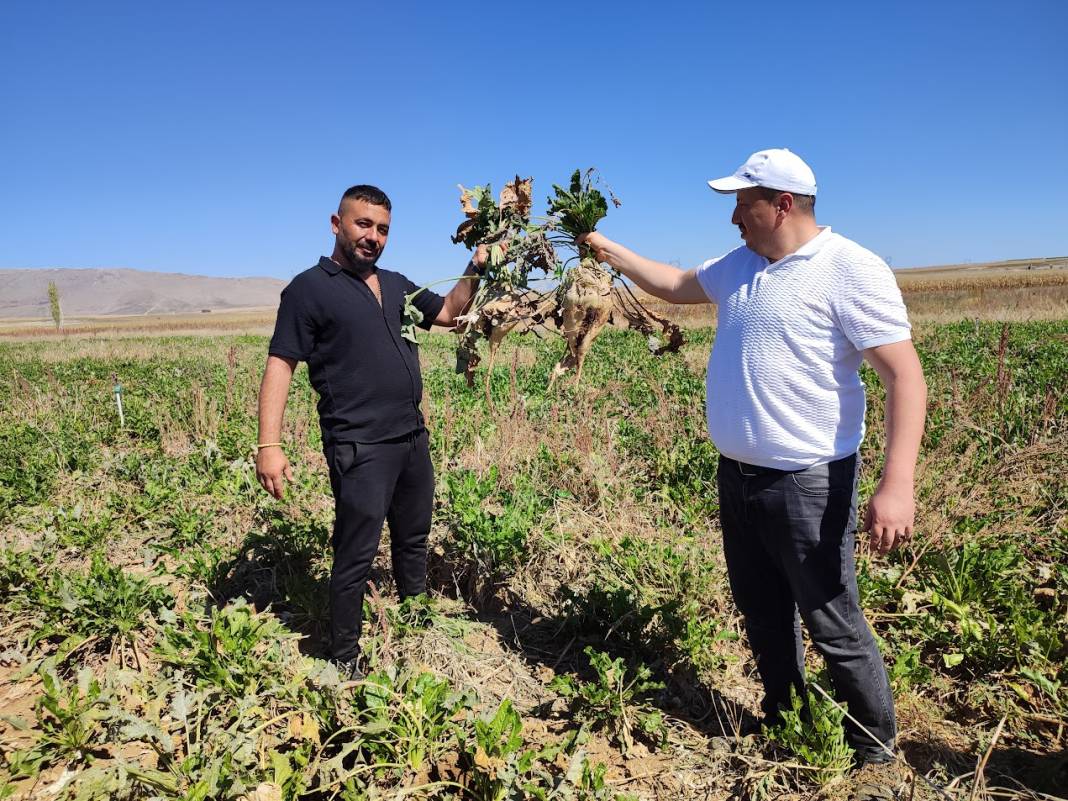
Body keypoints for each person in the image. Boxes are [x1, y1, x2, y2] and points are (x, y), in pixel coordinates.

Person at [579, 149, 927, 766]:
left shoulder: (850, 268)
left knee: (832, 621)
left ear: (783, 204)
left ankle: (875, 751)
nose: (734, 218)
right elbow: (677, 284)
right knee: (763, 615)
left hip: (809, 483)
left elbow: (906, 377)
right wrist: (608, 248)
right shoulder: (742, 264)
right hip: (737, 479)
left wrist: (896, 484)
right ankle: (785, 720)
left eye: (744, 204)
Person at [255, 184, 484, 678]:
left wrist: (475, 265)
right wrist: (268, 446)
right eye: (363, 224)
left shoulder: (397, 283)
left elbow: (449, 313)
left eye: (382, 229)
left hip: (411, 437)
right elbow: (280, 365)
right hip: (359, 446)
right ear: (337, 225)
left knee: (413, 536)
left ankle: (415, 619)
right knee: (356, 550)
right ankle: (344, 658)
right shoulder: (308, 289)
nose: (372, 237)